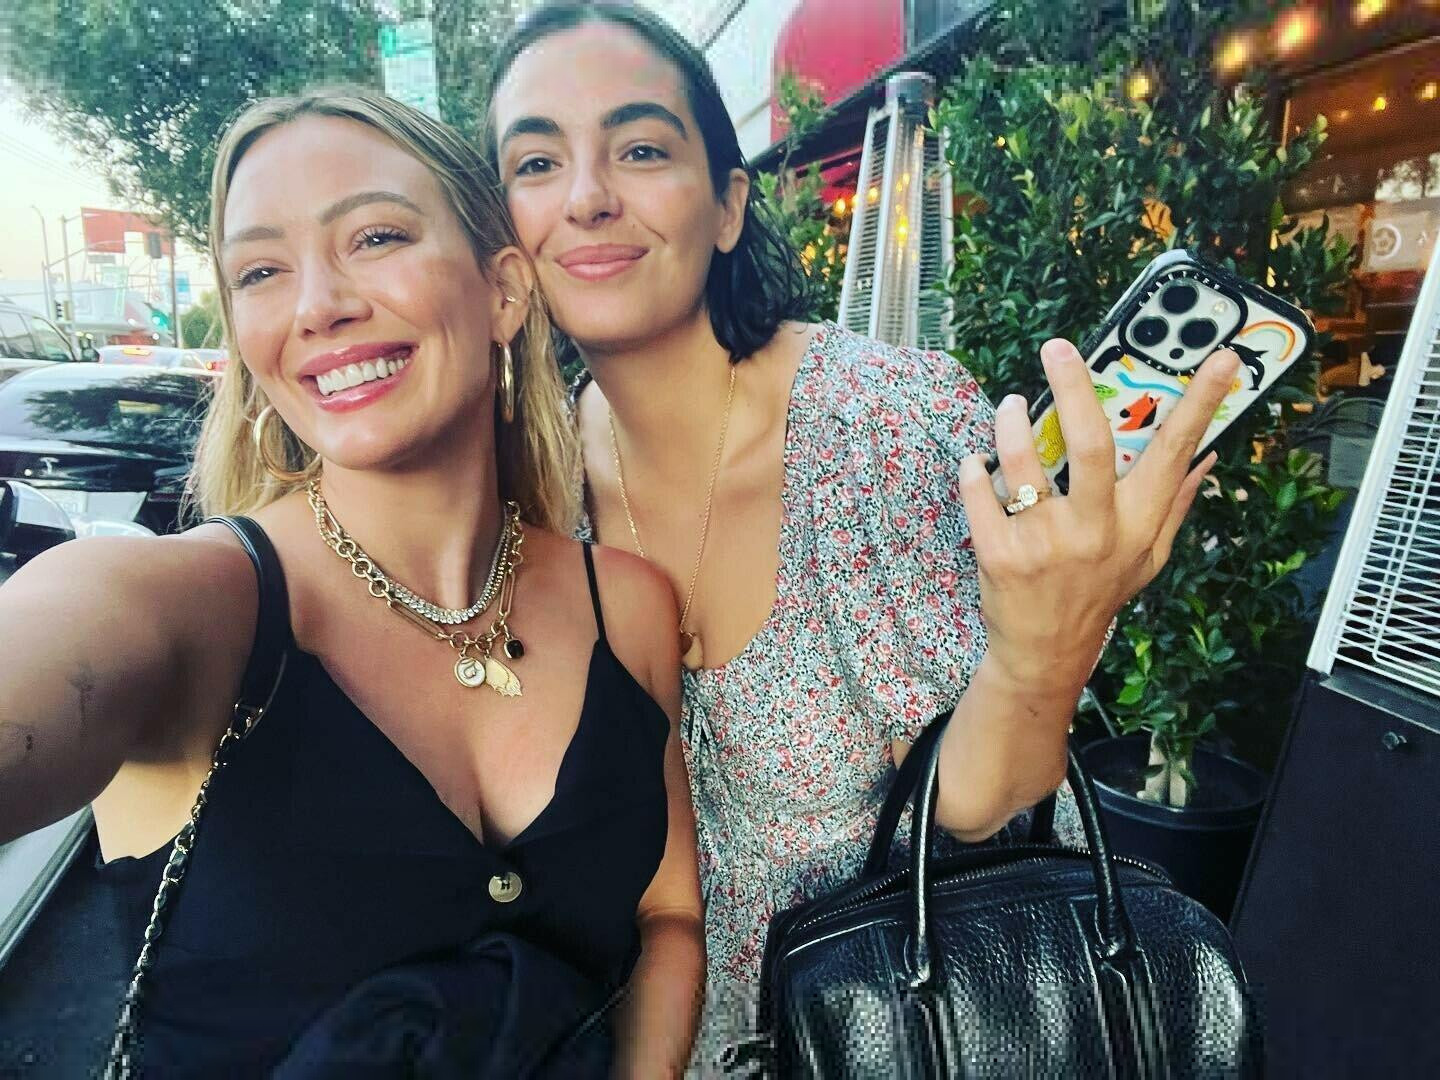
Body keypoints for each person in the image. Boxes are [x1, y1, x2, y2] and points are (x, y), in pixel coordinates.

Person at [485, 2, 1241, 1067]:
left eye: (641, 149)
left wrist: (1042, 654)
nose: (587, 197)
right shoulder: (536, 478)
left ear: (728, 205)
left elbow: (980, 816)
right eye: (536, 162)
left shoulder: (876, 423)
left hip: (917, 1030)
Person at [0, 88, 702, 1077]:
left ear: (503, 291)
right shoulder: (192, 607)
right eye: (261, 271)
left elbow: (667, 914)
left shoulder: (625, 604)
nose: (317, 305)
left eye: (374, 237)